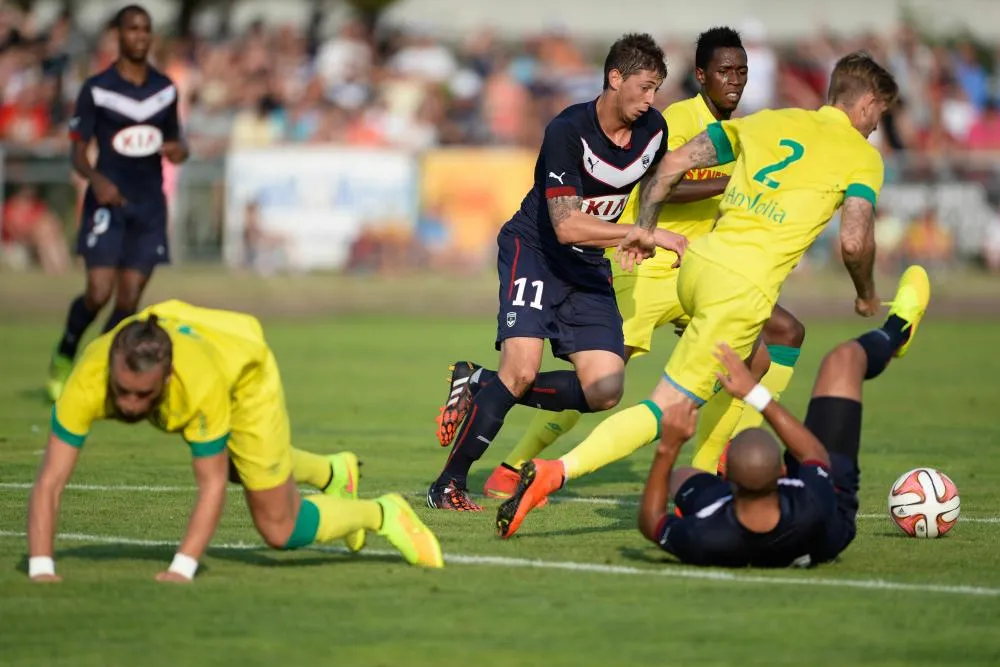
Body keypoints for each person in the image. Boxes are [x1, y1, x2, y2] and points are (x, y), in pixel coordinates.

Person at [497, 51, 898, 538]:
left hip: (698, 263)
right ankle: (552, 471)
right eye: (880, 114)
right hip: (735, 286)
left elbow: (671, 167)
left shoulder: (770, 121)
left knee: (761, 354)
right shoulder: (862, 156)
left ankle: (710, 467)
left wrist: (644, 229)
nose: (877, 125)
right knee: (657, 402)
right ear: (868, 103)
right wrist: (867, 293)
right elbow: (855, 241)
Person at [482, 27, 806, 502]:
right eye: (724, 71)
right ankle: (514, 466)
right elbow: (658, 183)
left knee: (774, 342)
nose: (734, 80)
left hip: (700, 270)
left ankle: (710, 464)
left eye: (742, 71)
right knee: (603, 379)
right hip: (649, 269)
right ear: (701, 76)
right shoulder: (673, 119)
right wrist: (731, 186)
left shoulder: (742, 133)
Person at [426, 33, 687, 511]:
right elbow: (566, 226)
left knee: (605, 389)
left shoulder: (654, 130)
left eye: (657, 89)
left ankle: (480, 382)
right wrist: (641, 234)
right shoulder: (568, 130)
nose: (652, 100)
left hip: (588, 266)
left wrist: (641, 228)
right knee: (521, 371)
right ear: (615, 78)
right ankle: (447, 485)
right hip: (538, 250)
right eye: (645, 87)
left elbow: (652, 186)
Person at [27, 300, 443, 582]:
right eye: (123, 391)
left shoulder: (198, 385)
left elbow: (209, 483)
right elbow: (50, 479)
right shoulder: (87, 380)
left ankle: (382, 513)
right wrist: (42, 567)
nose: (131, 406)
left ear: (167, 379)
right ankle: (332, 470)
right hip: (182, 330)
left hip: (243, 367)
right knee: (237, 465)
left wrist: (182, 567)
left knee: (278, 527)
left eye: (144, 395)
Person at [636, 266, 929, 567]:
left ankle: (723, 471)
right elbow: (815, 454)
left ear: (729, 485)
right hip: (831, 521)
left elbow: (651, 522)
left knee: (682, 476)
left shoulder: (705, 536)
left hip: (741, 521)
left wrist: (667, 447)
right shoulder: (813, 503)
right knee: (843, 359)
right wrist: (753, 392)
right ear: (784, 476)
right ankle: (898, 330)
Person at [47, 5, 188, 402]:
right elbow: (77, 151)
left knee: (128, 300)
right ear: (119, 36)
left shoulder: (165, 89)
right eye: (132, 29)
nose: (140, 36)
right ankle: (65, 352)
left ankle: (94, 373)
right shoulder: (97, 89)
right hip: (107, 202)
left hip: (149, 207)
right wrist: (95, 178)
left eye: (146, 29)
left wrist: (180, 150)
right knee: (98, 292)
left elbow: (175, 140)